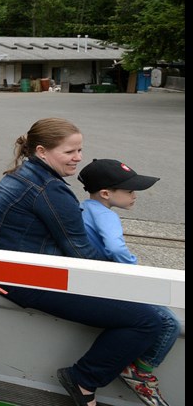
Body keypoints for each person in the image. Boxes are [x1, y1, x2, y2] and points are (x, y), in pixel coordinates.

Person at [0, 118, 166, 406]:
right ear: (42, 151)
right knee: (148, 321)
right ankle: (84, 379)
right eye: (70, 151)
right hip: (23, 279)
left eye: (80, 150)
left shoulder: (20, 174)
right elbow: (81, 252)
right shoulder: (50, 189)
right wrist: (124, 278)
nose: (78, 158)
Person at [77, 158, 179, 406]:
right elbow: (114, 246)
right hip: (110, 281)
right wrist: (133, 268)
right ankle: (139, 372)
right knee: (169, 324)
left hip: (89, 277)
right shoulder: (107, 216)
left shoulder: (83, 208)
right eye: (130, 191)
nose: (135, 196)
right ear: (105, 193)